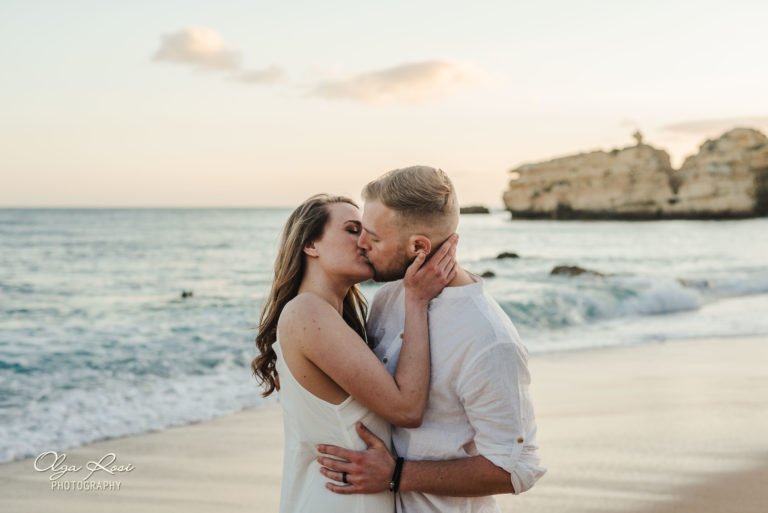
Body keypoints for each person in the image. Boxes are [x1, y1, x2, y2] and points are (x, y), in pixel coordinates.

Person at [316, 166, 547, 512]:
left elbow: (516, 468)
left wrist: (398, 475)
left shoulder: (489, 340)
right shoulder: (390, 297)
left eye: (374, 238)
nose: (361, 245)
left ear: (418, 247)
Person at [252, 193, 459, 513]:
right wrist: (415, 300)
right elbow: (407, 409)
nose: (365, 241)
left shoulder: (333, 321)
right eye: (352, 230)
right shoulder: (307, 312)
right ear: (311, 245)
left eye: (367, 231)